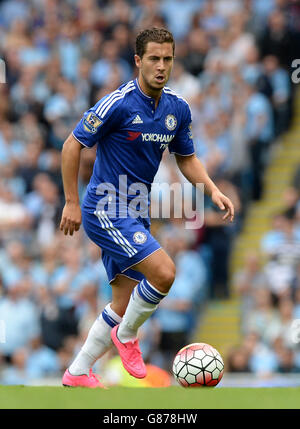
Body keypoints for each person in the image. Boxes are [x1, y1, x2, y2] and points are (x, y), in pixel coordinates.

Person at [59, 27, 234, 388]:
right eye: (154, 58)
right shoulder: (118, 103)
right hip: (105, 206)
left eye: (167, 59)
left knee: (122, 303)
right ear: (138, 61)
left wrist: (212, 190)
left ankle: (77, 372)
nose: (161, 66)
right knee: (165, 273)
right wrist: (72, 202)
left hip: (137, 209)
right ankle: (126, 337)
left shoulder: (178, 108)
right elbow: (71, 145)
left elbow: (186, 159)